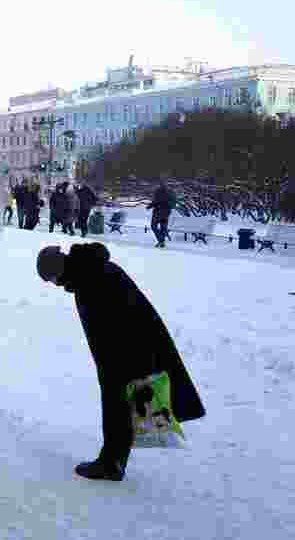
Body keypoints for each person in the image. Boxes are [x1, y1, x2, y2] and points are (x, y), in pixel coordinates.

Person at [36, 242, 205, 481]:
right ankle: (114, 460)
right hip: (133, 347)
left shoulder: (89, 281)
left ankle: (111, 463)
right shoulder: (93, 269)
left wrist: (114, 365)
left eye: (53, 279)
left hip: (128, 351)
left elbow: (109, 326)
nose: (57, 285)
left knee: (117, 403)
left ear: (58, 270)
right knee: (123, 404)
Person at [146, 179, 177, 248]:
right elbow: (174, 202)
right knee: (163, 228)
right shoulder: (171, 192)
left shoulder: (159, 191)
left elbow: (156, 201)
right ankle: (162, 242)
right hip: (167, 213)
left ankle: (161, 241)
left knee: (153, 226)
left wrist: (149, 206)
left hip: (158, 212)